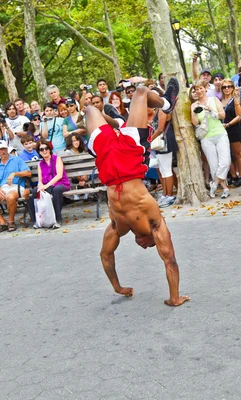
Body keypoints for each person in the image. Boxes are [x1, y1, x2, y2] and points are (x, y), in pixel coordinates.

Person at [84, 77, 189, 306]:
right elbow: (169, 259)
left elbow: (106, 255)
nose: (142, 247)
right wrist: (174, 298)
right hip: (130, 160)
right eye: (149, 246)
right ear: (153, 239)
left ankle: (119, 125)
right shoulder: (154, 221)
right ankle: (166, 104)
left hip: (108, 165)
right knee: (140, 92)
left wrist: (117, 287)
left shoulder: (118, 225)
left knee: (91, 108)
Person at [190, 79, 230, 199]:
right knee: (214, 165)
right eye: (196, 89)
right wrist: (194, 112)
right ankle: (225, 188)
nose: (199, 91)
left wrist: (210, 110)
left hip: (220, 133)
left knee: (225, 162)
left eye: (201, 88)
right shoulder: (194, 105)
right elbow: (195, 123)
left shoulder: (214, 100)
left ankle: (215, 183)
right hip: (206, 137)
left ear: (205, 89)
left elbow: (223, 115)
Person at [0, 140, 31, 233]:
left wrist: (15, 173)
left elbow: (28, 173)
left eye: (4, 149)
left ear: (7, 149)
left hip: (17, 187)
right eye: (0, 150)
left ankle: (11, 222)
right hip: (3, 188)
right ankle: (2, 222)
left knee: (10, 196)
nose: (3, 151)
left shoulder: (16, 159)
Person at [26, 140, 70, 229]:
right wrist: (40, 185)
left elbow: (59, 175)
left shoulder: (57, 159)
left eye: (46, 148)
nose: (44, 151)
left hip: (61, 184)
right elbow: (40, 180)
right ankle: (37, 221)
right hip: (47, 186)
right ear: (39, 152)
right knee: (33, 194)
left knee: (56, 190)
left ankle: (57, 220)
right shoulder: (40, 164)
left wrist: (47, 185)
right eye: (41, 149)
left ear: (49, 149)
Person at [220, 78, 241, 186]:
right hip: (222, 130)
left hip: (233, 128)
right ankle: (233, 175)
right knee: (226, 154)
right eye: (224, 87)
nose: (226, 88)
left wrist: (228, 124)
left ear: (233, 88)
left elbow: (239, 116)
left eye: (229, 86)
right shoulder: (219, 101)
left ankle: (240, 176)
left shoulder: (235, 100)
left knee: (237, 153)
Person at [152, 109, 177, 208]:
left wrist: (150, 139)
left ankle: (170, 195)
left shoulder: (162, 110)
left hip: (164, 141)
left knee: (166, 170)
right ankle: (165, 194)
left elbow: (160, 128)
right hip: (160, 142)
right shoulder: (157, 110)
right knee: (162, 170)